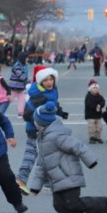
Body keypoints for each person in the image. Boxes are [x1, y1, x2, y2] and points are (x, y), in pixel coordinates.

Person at [27, 101, 107, 213]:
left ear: (41, 122)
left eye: (35, 121)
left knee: (73, 203)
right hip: (56, 180)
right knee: (59, 206)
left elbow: (78, 146)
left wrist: (91, 161)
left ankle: (100, 204)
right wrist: (36, 187)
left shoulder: (57, 136)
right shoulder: (42, 139)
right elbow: (41, 164)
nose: (34, 123)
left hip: (69, 176)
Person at [17, 66, 67, 194]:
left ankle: (47, 181)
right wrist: (38, 120)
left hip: (49, 130)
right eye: (46, 80)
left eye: (51, 79)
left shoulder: (53, 90)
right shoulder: (38, 95)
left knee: (48, 155)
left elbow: (54, 104)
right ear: (40, 82)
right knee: (31, 155)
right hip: (36, 130)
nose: (49, 82)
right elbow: (27, 114)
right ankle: (20, 180)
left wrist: (61, 112)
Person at [84, 79, 106, 144]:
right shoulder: (88, 96)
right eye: (94, 88)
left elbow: (103, 101)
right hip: (90, 115)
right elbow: (88, 104)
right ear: (90, 89)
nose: (95, 89)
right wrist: (95, 107)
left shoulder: (99, 96)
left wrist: (100, 105)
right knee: (92, 128)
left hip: (98, 115)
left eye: (96, 88)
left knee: (99, 127)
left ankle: (98, 137)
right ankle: (92, 138)